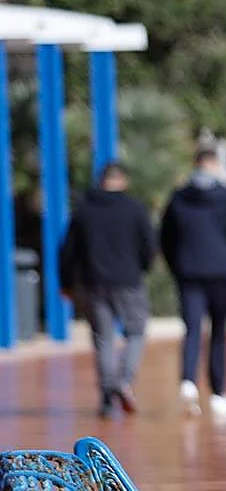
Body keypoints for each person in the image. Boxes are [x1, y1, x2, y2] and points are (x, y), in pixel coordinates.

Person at [160, 147, 226, 419]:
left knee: (191, 329)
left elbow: (166, 238)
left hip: (189, 273)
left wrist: (177, 267)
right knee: (219, 334)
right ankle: (218, 393)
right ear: (216, 166)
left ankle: (188, 381)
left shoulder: (178, 198)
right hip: (221, 274)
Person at [60, 162, 155, 418]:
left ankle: (106, 395)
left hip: (92, 283)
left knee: (103, 339)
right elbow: (149, 246)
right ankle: (123, 380)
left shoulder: (84, 210)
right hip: (128, 282)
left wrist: (67, 283)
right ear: (122, 181)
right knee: (135, 331)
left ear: (102, 181)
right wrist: (142, 268)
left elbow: (68, 251)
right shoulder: (134, 209)